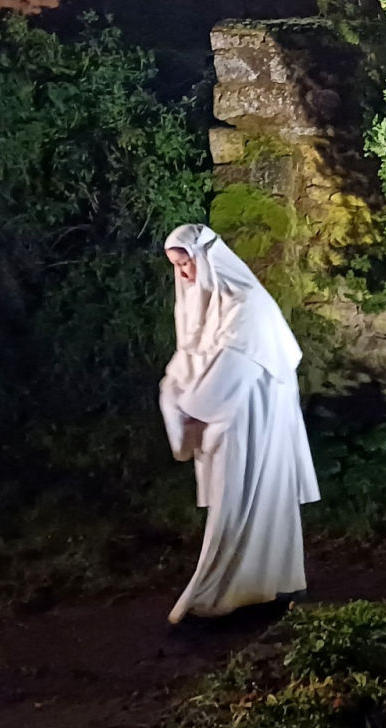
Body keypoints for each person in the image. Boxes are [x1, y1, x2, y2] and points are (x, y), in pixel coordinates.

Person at [158, 224, 320, 624]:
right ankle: (257, 589)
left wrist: (188, 404)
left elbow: (231, 367)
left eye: (186, 263)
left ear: (205, 257)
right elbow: (192, 355)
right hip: (229, 419)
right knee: (239, 500)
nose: (183, 273)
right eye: (176, 266)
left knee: (243, 502)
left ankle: (221, 592)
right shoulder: (206, 303)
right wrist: (175, 385)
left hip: (252, 422)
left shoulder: (246, 304)